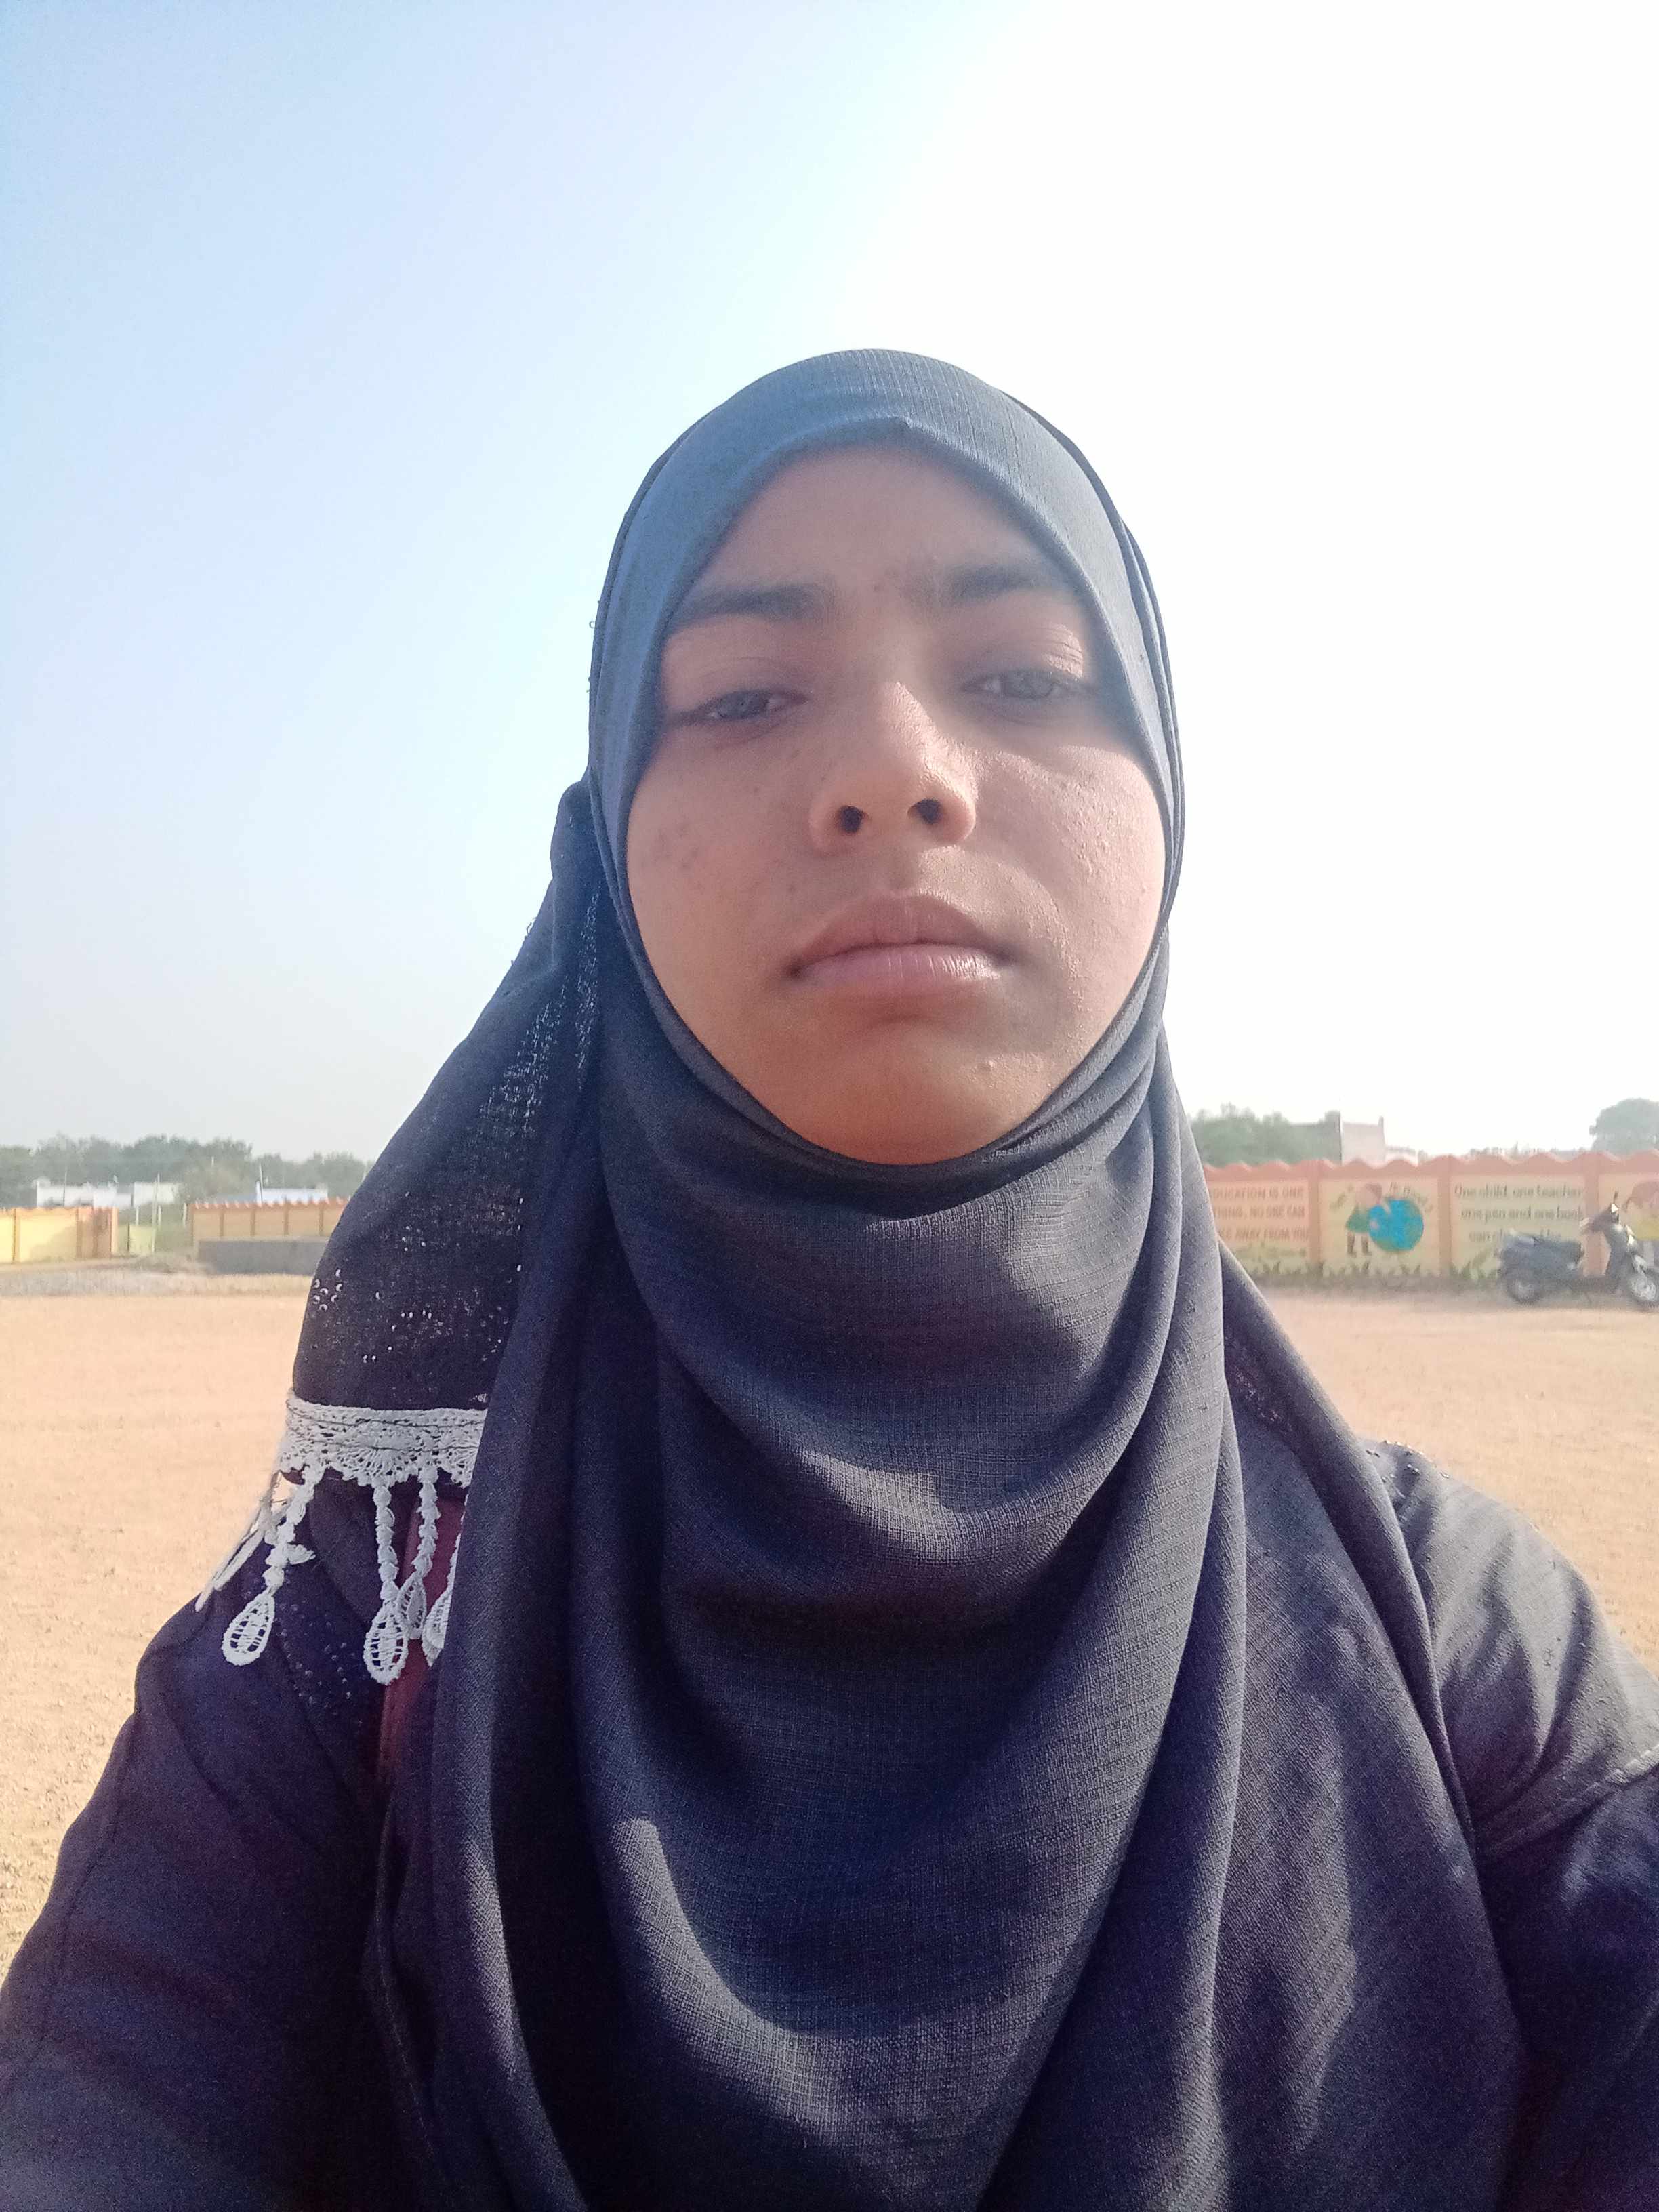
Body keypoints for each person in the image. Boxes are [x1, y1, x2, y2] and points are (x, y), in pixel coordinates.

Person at [3, 351, 1657, 2211]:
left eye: (1024, 675)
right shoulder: (354, 1629)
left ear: (1172, 809)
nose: (892, 772)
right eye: (741, 696)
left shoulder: (1460, 1640)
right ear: (608, 852)